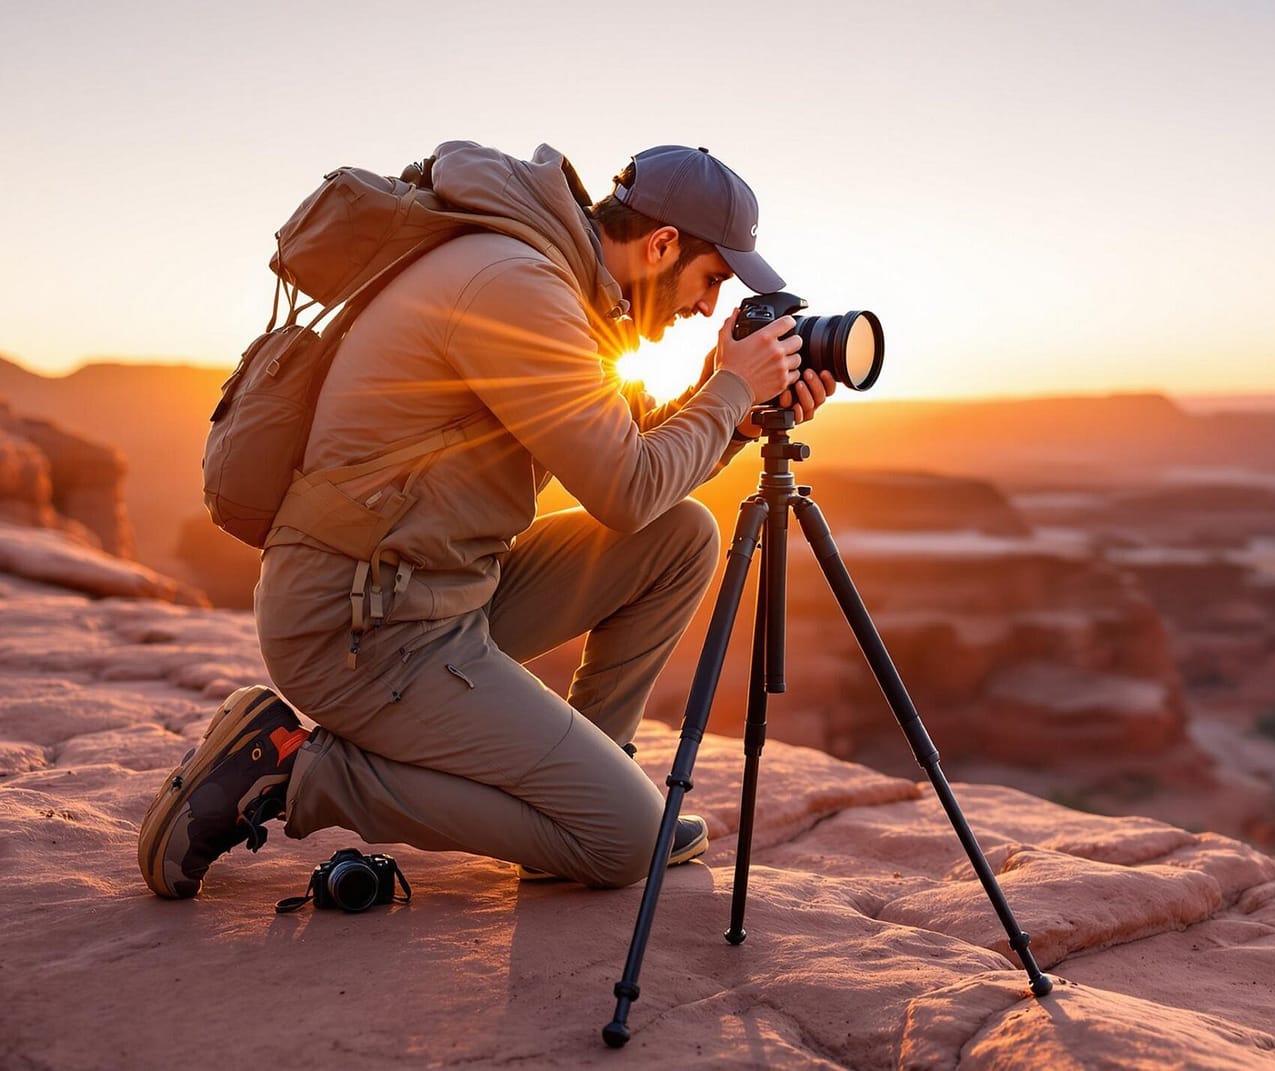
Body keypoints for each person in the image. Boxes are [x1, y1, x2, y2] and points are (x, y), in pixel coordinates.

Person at [138, 142, 835, 898]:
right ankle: (292, 769)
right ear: (662, 244)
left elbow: (634, 472)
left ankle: (575, 796)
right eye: (712, 279)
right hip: (357, 625)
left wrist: (722, 412)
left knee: (680, 537)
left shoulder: (556, 283)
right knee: (626, 841)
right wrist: (732, 387)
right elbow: (626, 487)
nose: (709, 306)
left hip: (434, 592)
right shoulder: (515, 287)